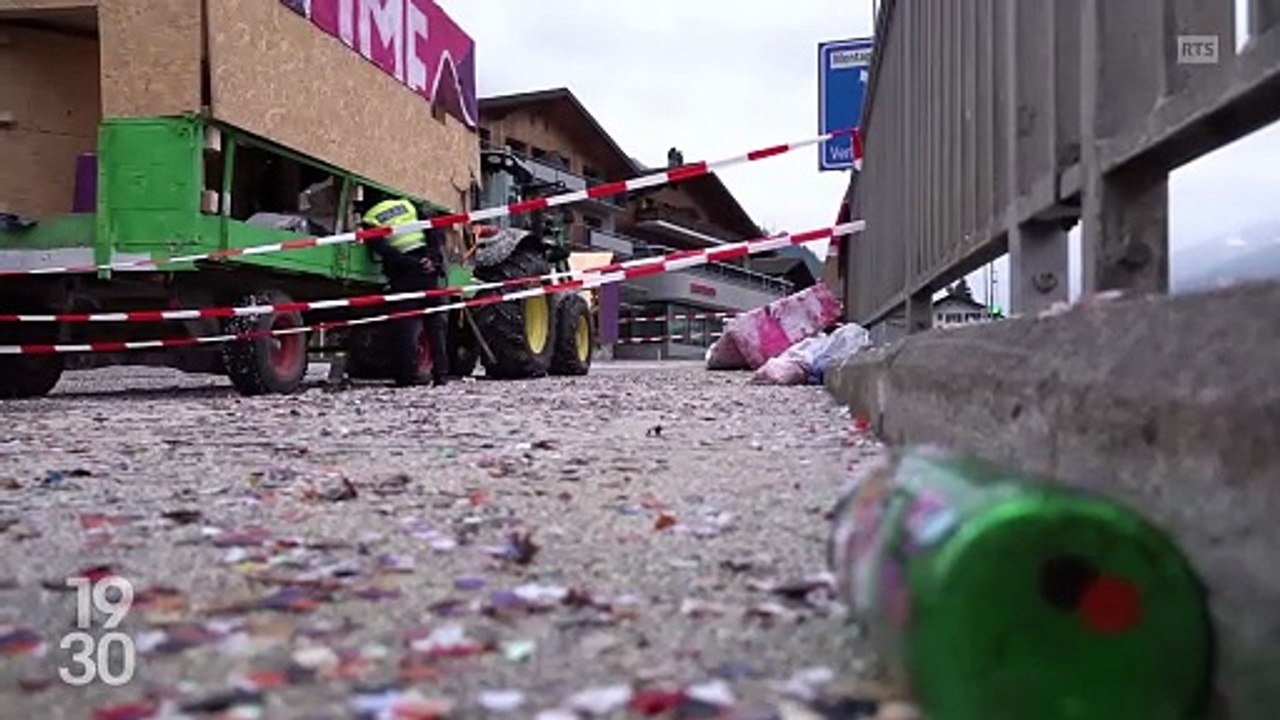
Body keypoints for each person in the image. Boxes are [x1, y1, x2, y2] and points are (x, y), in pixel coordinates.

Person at [359, 197, 450, 387]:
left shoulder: (370, 218)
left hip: (404, 275)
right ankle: (441, 376)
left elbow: (384, 250)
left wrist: (413, 264)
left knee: (405, 328)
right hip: (427, 271)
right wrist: (432, 259)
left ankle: (406, 378)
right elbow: (432, 229)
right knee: (435, 327)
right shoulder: (407, 205)